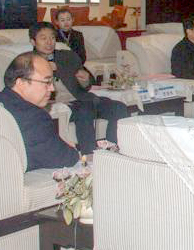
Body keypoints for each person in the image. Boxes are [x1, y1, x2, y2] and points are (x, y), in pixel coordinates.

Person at [30, 21, 129, 154]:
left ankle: (112, 150)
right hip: (59, 105)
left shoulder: (67, 56)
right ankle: (89, 154)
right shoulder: (29, 62)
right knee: (84, 110)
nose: (49, 42)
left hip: (83, 99)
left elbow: (88, 83)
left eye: (52, 38)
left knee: (119, 107)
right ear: (33, 41)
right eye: (43, 38)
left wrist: (86, 80)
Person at [0, 52, 80, 171]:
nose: (52, 88)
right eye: (47, 82)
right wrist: (72, 150)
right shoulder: (33, 116)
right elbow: (63, 158)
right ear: (21, 83)